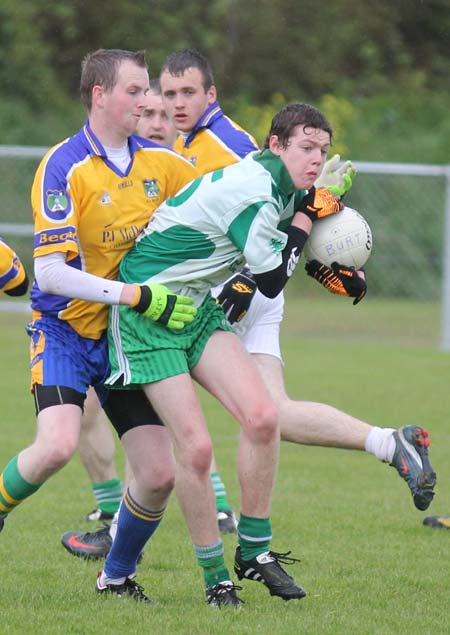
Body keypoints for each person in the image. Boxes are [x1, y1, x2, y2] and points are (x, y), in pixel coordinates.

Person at [67, 48, 436, 562]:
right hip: (223, 286)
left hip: (233, 292)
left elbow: (269, 209)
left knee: (178, 410)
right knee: (266, 415)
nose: (173, 104)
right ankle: (386, 443)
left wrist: (310, 222)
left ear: (211, 95)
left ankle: (135, 533)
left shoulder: (232, 143)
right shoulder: (182, 142)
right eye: (166, 94)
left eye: (186, 93)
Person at [98, 102, 346, 608]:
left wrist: (325, 230)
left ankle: (254, 551)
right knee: (195, 450)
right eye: (305, 147)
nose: (316, 159)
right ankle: (216, 581)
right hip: (147, 313)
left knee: (261, 418)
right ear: (274, 145)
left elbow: (295, 240)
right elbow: (273, 280)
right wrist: (306, 213)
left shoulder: (281, 183)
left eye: (322, 149)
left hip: (193, 309)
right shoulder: (256, 191)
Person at [0, 50, 199, 609]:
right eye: (136, 91)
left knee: (159, 474)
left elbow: (229, 191)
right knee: (57, 446)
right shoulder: (63, 166)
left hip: (125, 339)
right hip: (64, 332)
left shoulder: (162, 163)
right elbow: (51, 273)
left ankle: (115, 575)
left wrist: (304, 196)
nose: (148, 102)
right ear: (99, 95)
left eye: (148, 92)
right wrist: (138, 294)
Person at [67, 78, 181, 542]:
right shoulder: (92, 167)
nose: (154, 122)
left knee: (184, 429)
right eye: (146, 111)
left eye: (163, 114)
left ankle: (217, 515)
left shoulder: (181, 171)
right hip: (104, 320)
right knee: (86, 418)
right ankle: (113, 515)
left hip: (162, 320)